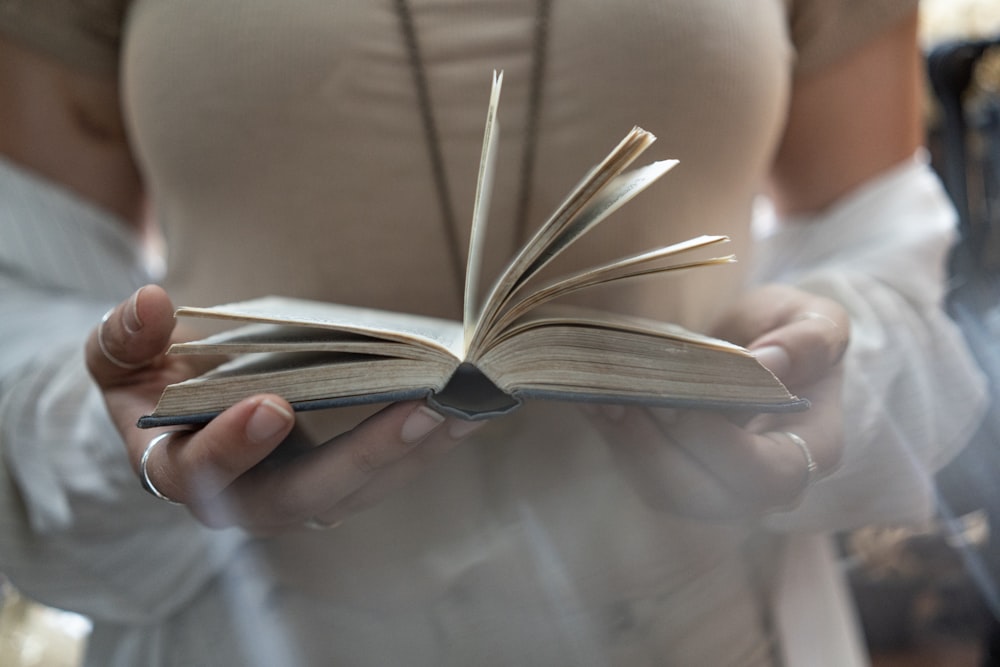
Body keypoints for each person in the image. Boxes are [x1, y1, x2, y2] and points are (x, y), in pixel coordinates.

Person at [0, 1, 988, 665]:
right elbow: (27, 295)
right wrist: (120, 427)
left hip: (717, 629)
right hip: (249, 633)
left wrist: (828, 365)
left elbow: (888, 235)